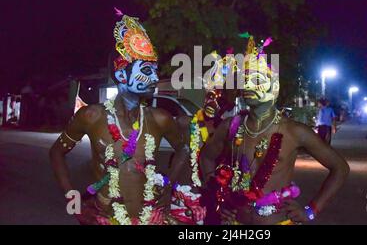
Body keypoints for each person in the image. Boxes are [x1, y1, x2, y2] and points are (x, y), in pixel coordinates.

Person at [49, 11, 189, 225]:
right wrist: (74, 204)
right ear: (122, 75)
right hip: (105, 218)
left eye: (154, 70)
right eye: (146, 70)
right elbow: (57, 152)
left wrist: (168, 184)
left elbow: (183, 148)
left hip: (150, 218)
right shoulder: (92, 116)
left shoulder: (160, 118)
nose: (154, 77)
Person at [200, 35, 349, 225]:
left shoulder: (294, 131)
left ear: (274, 87)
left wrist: (311, 210)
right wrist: (218, 197)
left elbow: (340, 168)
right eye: (244, 79)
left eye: (256, 79)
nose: (247, 85)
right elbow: (206, 157)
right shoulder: (230, 126)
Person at [172, 50, 238, 225]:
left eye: (222, 99)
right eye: (211, 95)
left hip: (213, 201)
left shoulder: (228, 130)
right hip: (184, 198)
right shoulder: (184, 123)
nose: (215, 102)